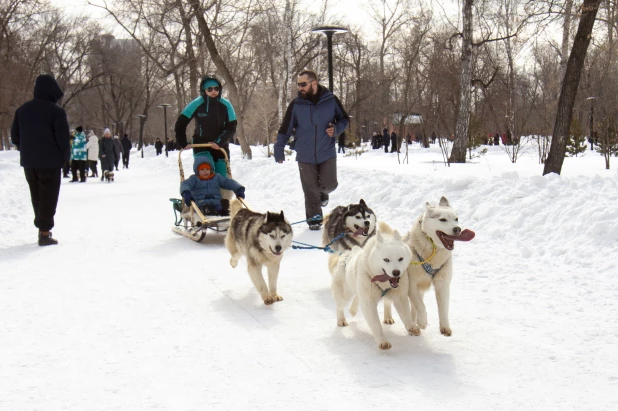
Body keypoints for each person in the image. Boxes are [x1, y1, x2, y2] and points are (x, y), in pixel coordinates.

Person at [274, 69, 349, 230]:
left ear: (313, 83)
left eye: (303, 84)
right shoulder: (296, 105)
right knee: (310, 190)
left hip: (326, 152)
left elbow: (344, 119)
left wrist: (336, 129)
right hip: (305, 153)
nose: (300, 88)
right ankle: (314, 221)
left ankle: (324, 193)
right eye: (298, 85)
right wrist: (278, 148)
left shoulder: (330, 100)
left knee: (329, 184)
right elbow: (285, 128)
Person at [10, 74, 70, 246]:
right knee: (48, 196)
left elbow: (15, 137)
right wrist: (65, 159)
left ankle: (41, 227)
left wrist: (27, 148)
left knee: (36, 195)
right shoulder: (56, 112)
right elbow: (63, 139)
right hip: (50, 162)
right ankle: (44, 232)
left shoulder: (22, 110)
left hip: (29, 161)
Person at [174, 75, 237, 173]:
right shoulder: (196, 104)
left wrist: (219, 142)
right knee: (205, 174)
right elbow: (181, 123)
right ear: (204, 90)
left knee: (222, 178)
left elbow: (232, 127)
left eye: (216, 88)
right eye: (210, 89)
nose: (213, 91)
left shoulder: (226, 105)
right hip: (201, 145)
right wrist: (182, 142)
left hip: (220, 146)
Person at [180, 153, 245, 216]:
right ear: (197, 170)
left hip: (216, 202)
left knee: (221, 206)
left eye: (207, 169)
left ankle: (224, 211)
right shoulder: (194, 179)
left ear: (211, 169)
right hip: (200, 203)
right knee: (205, 207)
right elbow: (185, 184)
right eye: (202, 169)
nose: (205, 171)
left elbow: (228, 182)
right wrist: (186, 192)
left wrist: (239, 188)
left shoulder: (216, 177)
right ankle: (210, 211)